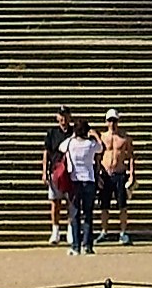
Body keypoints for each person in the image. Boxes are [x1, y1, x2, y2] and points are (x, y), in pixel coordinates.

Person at [58, 118, 104, 255]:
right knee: (88, 213)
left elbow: (61, 147)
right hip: (89, 180)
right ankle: (87, 245)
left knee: (75, 213)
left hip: (74, 180)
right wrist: (95, 135)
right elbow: (101, 148)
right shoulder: (90, 144)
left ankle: (76, 246)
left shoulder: (70, 143)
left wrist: (72, 136)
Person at [95, 111, 137, 246]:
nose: (112, 123)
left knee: (122, 206)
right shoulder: (102, 137)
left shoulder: (124, 138)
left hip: (119, 174)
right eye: (110, 120)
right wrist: (97, 174)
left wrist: (132, 174)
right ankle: (104, 231)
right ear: (106, 122)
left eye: (114, 121)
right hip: (106, 174)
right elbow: (97, 157)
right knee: (104, 205)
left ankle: (123, 232)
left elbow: (131, 156)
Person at [39, 108, 78, 246]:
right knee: (55, 202)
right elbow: (46, 152)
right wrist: (44, 171)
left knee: (71, 202)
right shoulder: (52, 133)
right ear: (57, 117)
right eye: (61, 116)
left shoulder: (75, 132)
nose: (64, 119)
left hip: (71, 171)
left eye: (66, 116)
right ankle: (55, 230)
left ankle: (70, 230)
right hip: (56, 171)